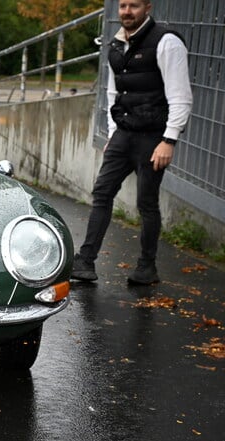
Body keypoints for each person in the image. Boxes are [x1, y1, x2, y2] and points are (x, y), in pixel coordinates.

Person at [71, 0, 192, 285]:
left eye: (133, 5)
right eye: (122, 5)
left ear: (147, 7)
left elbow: (181, 96)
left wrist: (169, 140)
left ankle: (146, 268)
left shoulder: (167, 42)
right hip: (123, 134)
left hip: (153, 137)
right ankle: (85, 262)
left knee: (146, 203)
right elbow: (115, 91)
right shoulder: (116, 44)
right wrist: (114, 132)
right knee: (102, 193)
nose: (126, 11)